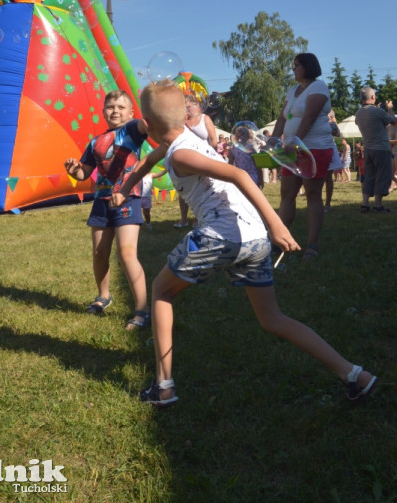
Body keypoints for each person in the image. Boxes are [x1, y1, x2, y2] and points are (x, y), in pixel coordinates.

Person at [111, 80, 377, 407]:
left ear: (148, 126)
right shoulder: (180, 141)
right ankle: (355, 375)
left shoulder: (180, 154)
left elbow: (236, 175)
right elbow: (147, 162)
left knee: (161, 291)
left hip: (223, 233)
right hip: (254, 238)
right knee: (272, 319)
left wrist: (277, 223)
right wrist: (125, 188)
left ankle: (163, 387)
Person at [64, 90, 151, 330]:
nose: (115, 111)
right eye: (110, 107)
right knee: (99, 253)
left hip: (127, 198)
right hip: (101, 201)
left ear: (131, 113)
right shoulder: (94, 142)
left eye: (121, 107)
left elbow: (145, 126)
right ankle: (103, 296)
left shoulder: (132, 130)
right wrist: (74, 170)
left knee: (126, 253)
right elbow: (84, 173)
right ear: (103, 112)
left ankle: (142, 308)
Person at [271, 53, 335, 259]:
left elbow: (309, 117)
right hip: (292, 148)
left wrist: (294, 142)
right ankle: (279, 241)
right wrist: (272, 140)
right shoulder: (292, 91)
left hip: (314, 148)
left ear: (307, 67)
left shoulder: (319, 88)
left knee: (312, 194)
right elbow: (282, 118)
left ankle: (312, 245)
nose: (293, 69)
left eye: (296, 65)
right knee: (286, 194)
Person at [174, 94, 217, 228]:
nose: (187, 107)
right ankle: (183, 219)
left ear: (197, 106)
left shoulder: (205, 118)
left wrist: (211, 156)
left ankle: (199, 218)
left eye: (189, 104)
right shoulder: (181, 121)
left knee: (203, 189)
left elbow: (213, 139)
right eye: (184, 105)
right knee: (183, 190)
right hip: (187, 159)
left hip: (204, 159)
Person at [355, 88, 397, 213]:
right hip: (381, 149)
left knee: (369, 176)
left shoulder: (358, 113)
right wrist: (389, 108)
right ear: (372, 97)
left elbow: (372, 122)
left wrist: (379, 109)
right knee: (382, 176)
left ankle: (365, 204)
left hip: (368, 149)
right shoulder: (378, 112)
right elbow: (394, 121)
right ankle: (378, 205)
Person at [324, 112, 342, 212]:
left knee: (328, 177)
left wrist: (333, 119)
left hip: (328, 147)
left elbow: (337, 133)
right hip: (316, 146)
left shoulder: (330, 120)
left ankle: (327, 203)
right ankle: (317, 203)